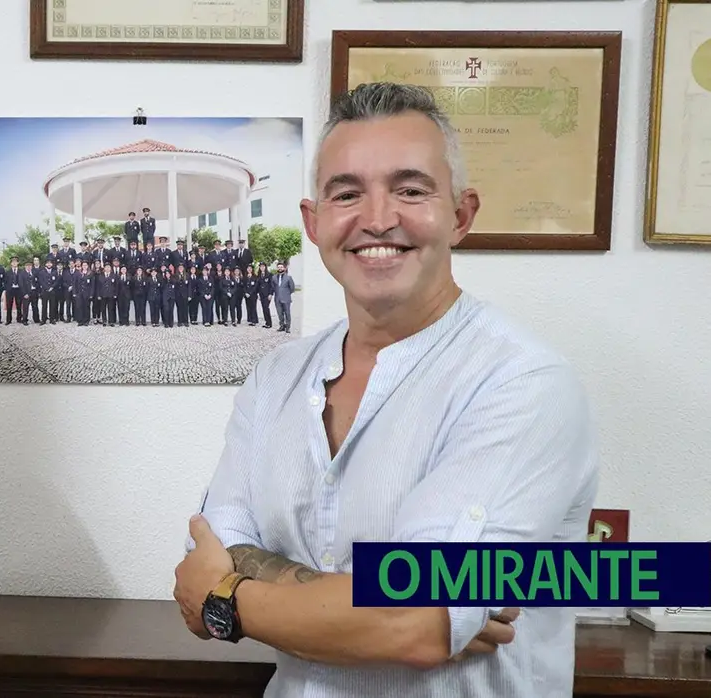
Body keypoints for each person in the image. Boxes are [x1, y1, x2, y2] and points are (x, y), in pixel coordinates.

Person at [173, 82, 598, 697]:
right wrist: (380, 610)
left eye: (410, 189)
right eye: (347, 193)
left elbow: (415, 623)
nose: (377, 219)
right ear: (313, 222)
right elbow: (209, 549)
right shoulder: (276, 379)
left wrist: (230, 598)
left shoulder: (520, 384)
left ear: (461, 214)